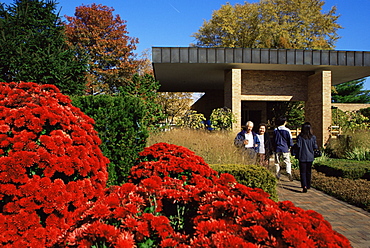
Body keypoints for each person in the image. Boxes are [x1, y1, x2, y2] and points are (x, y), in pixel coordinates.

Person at [296, 122, 318, 193]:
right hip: (310, 156)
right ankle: (308, 185)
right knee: (309, 172)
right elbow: (315, 147)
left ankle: (304, 185)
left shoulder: (300, 137)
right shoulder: (313, 137)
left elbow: (298, 146)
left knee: (302, 172)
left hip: (302, 156)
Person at [273, 116, 294, 181]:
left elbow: (274, 140)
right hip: (285, 148)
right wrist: (290, 147)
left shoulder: (275, 130)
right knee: (287, 161)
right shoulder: (287, 130)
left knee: (277, 162)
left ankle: (277, 175)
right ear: (285, 122)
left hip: (277, 148)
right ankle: (288, 172)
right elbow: (290, 140)